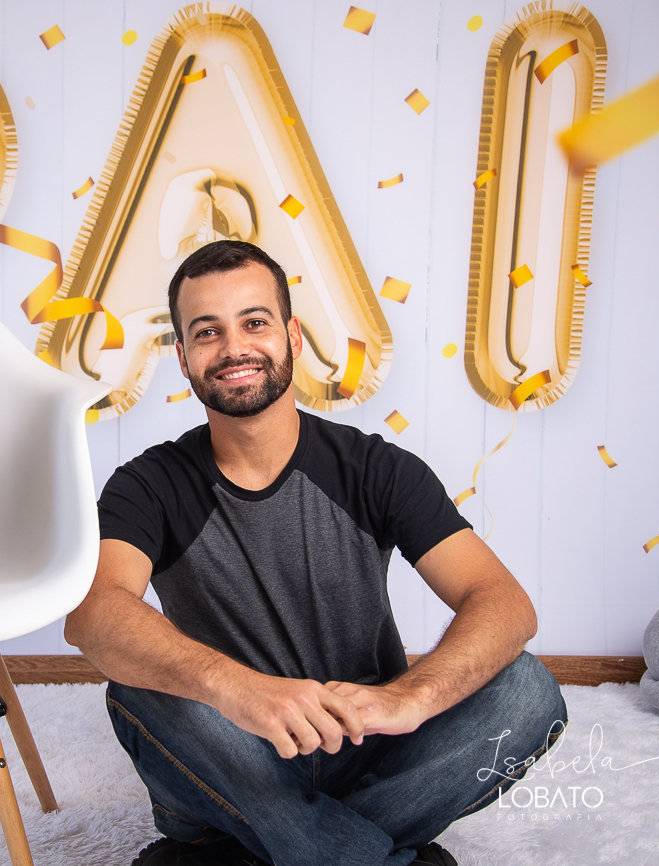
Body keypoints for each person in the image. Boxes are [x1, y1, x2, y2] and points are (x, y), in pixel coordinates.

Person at [64, 240, 567, 866]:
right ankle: (370, 850)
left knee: (526, 692)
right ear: (185, 359)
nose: (234, 348)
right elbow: (93, 616)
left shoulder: (377, 469)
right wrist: (240, 691)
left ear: (292, 336)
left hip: (367, 746)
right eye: (207, 332)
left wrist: (407, 699)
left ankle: (272, 847)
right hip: (232, 751)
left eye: (254, 322)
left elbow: (503, 603)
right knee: (139, 688)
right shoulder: (148, 483)